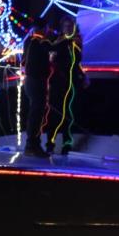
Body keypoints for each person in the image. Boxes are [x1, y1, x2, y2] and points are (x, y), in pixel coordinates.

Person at [45, 16, 88, 155]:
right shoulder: (59, 42)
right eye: (66, 26)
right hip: (58, 81)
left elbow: (76, 63)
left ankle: (66, 144)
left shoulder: (75, 42)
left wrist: (83, 76)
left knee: (69, 114)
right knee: (54, 114)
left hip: (71, 82)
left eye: (70, 26)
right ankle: (50, 143)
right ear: (62, 28)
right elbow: (52, 59)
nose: (68, 28)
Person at [21, 16, 53, 158]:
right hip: (36, 81)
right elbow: (49, 49)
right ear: (43, 28)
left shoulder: (30, 40)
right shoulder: (38, 41)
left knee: (36, 113)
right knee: (36, 113)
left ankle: (32, 144)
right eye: (47, 28)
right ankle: (32, 145)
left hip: (31, 80)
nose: (48, 31)